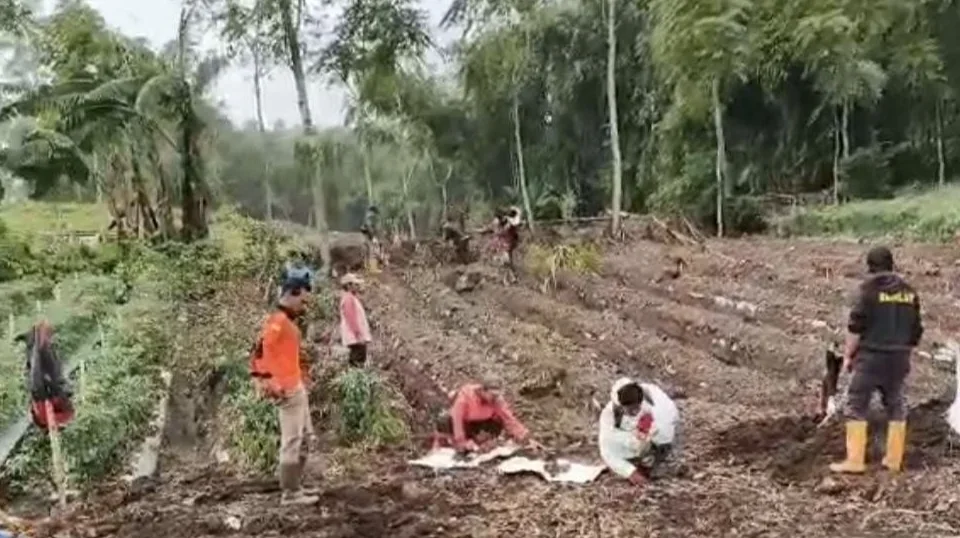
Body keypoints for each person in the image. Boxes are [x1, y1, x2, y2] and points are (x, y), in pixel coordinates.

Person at [831, 246, 922, 474]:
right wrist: (902, 350)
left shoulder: (867, 291)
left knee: (856, 404)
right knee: (896, 405)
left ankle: (855, 461)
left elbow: (855, 327)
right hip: (900, 357)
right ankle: (893, 460)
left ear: (870, 267)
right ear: (892, 265)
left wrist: (848, 356)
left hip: (872, 356)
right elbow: (916, 330)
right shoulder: (909, 292)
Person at [249, 279, 318, 506]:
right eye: (303, 301)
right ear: (291, 294)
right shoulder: (277, 321)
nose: (304, 307)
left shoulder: (286, 321)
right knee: (292, 441)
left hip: (295, 385)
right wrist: (266, 379)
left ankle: (296, 486)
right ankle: (290, 493)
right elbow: (260, 350)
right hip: (286, 390)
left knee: (304, 439)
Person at [599, 377, 680, 486]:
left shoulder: (657, 405)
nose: (634, 411)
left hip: (660, 435)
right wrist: (629, 472)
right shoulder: (609, 416)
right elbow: (606, 449)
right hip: (630, 441)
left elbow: (666, 431)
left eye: (636, 408)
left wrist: (650, 441)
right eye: (630, 409)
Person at [433, 381, 542, 453]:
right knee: (444, 421)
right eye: (492, 395)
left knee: (497, 422)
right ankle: (451, 444)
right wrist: (461, 441)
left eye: (497, 395)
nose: (495, 398)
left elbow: (509, 419)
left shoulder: (496, 401)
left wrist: (526, 438)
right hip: (460, 423)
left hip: (481, 424)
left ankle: (480, 443)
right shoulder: (465, 397)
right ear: (482, 391)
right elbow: (457, 419)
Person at [16, 321, 74, 430]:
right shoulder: (65, 417)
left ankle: (33, 337)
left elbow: (35, 411)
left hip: (41, 395)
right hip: (49, 392)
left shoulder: (45, 421)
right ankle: (36, 336)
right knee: (42, 358)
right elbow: (64, 399)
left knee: (37, 360)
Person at [339, 273, 371, 367]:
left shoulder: (350, 298)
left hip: (356, 337)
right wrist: (358, 334)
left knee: (357, 360)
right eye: (355, 284)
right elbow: (351, 318)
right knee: (357, 362)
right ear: (349, 285)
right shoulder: (348, 299)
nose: (357, 287)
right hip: (355, 338)